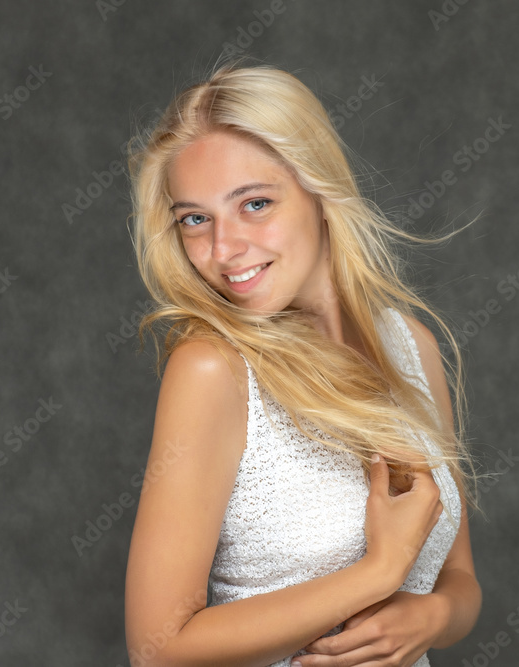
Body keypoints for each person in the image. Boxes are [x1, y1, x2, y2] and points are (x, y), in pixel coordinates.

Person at [123, 58, 483, 667]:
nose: (223, 248)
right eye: (194, 219)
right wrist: (379, 573)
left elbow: (460, 581)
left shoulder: (412, 346)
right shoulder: (214, 369)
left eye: (255, 203)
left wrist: (435, 615)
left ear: (320, 191)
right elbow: (158, 650)